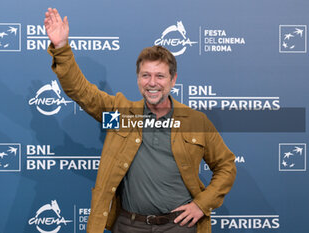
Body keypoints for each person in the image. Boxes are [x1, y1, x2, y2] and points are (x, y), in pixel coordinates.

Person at [44, 8, 236, 233]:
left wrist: (201, 205)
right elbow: (80, 91)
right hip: (129, 225)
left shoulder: (195, 120)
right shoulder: (121, 114)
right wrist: (61, 47)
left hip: (178, 227)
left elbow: (226, 166)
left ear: (173, 80)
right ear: (138, 79)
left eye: (160, 76)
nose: (152, 83)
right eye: (146, 75)